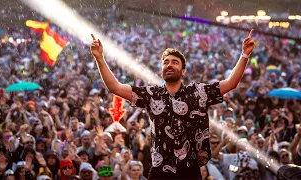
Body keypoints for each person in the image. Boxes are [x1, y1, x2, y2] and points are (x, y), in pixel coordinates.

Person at [89, 30, 255, 179]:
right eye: (166, 62)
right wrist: (100, 58)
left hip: (190, 169)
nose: (169, 64)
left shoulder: (198, 93)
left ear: (183, 71)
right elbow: (115, 87)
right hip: (160, 170)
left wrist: (244, 55)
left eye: (175, 62)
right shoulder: (151, 95)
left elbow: (231, 83)